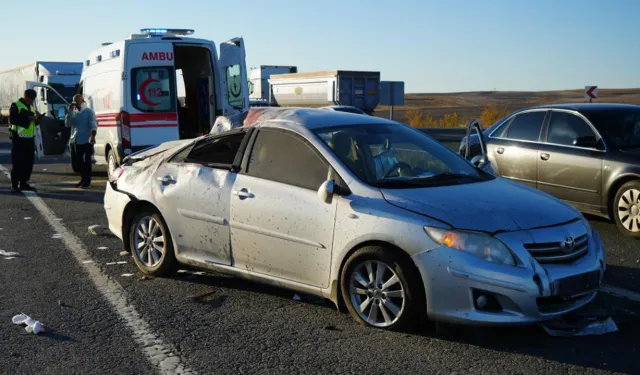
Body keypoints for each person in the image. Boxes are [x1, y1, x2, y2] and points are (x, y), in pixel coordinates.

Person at [9, 89, 41, 193]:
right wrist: (27, 118)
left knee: (28, 163)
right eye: (31, 99)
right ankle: (14, 184)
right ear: (25, 96)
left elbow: (33, 123)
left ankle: (23, 183)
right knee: (18, 162)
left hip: (29, 139)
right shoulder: (16, 105)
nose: (32, 101)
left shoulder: (31, 107)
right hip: (19, 138)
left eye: (33, 99)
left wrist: (37, 119)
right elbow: (13, 120)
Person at [65, 94, 97, 188]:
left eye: (78, 101)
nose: (76, 103)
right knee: (78, 162)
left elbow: (93, 124)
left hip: (87, 139)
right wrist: (69, 112)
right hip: (76, 139)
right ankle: (83, 179)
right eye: (74, 101)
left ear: (83, 101)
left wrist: (93, 134)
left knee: (87, 161)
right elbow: (67, 124)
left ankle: (87, 181)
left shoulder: (89, 112)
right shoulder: (74, 112)